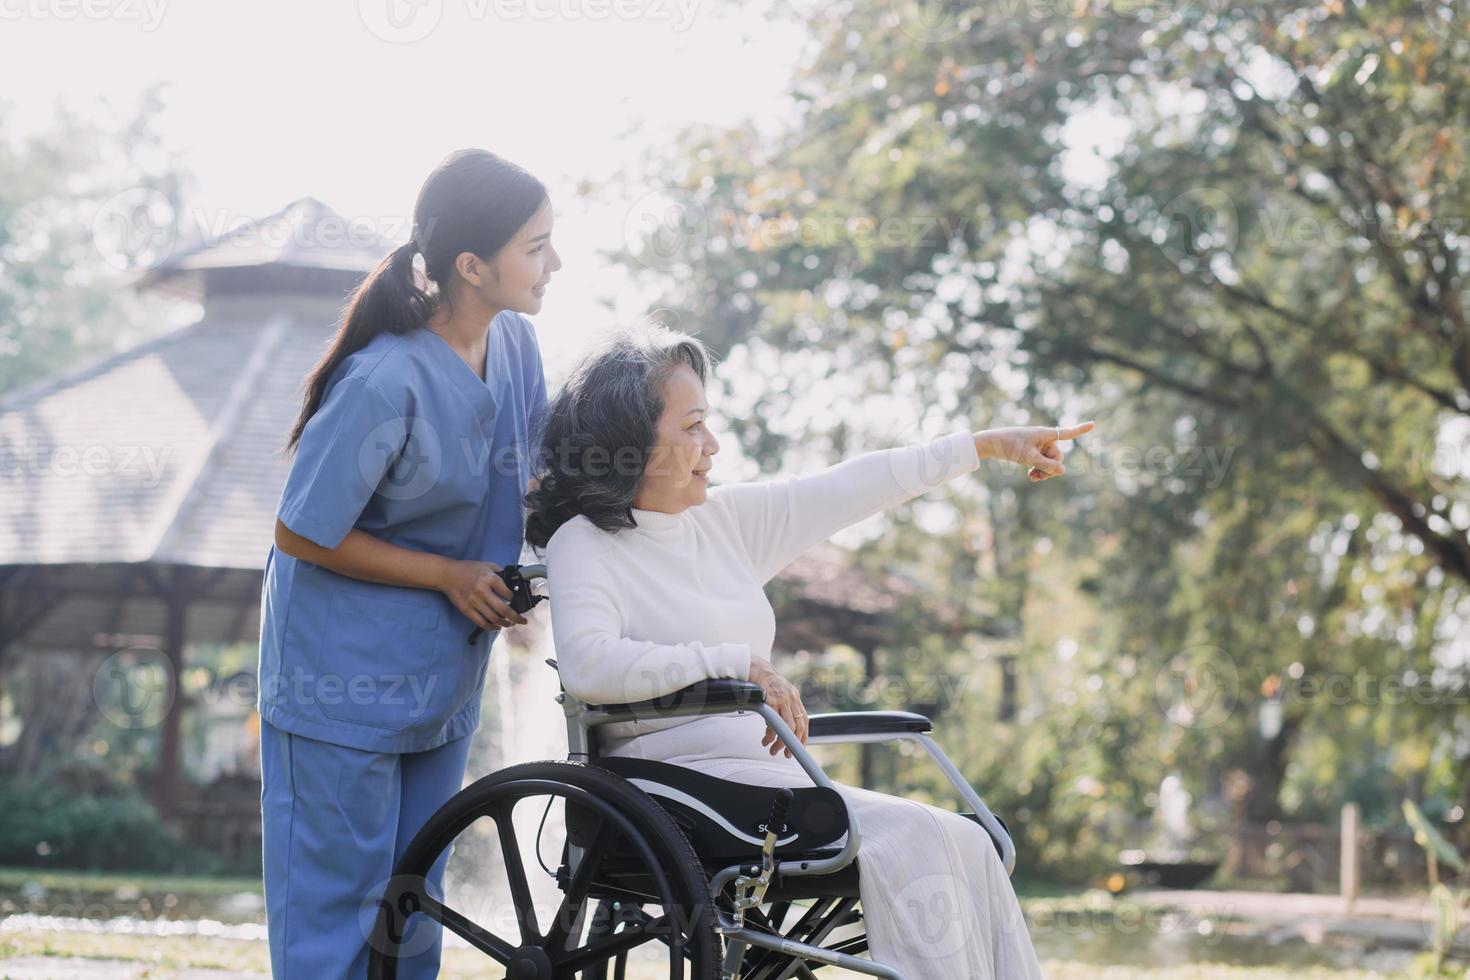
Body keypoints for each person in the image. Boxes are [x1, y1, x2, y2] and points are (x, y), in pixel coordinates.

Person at [527, 324, 1092, 979]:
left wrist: (983, 446)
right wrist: (735, 664)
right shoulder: (583, 544)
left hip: (765, 784)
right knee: (915, 838)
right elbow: (591, 666)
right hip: (671, 793)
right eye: (692, 427)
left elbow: (855, 484)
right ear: (629, 444)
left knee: (967, 838)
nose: (712, 445)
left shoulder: (724, 523)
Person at [257, 148, 560, 979]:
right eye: (535, 246)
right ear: (472, 264)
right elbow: (301, 533)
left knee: (408, 909)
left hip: (440, 680)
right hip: (334, 686)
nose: (554, 263)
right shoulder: (382, 379)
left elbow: (535, 478)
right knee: (335, 921)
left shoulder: (519, 349)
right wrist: (449, 578)